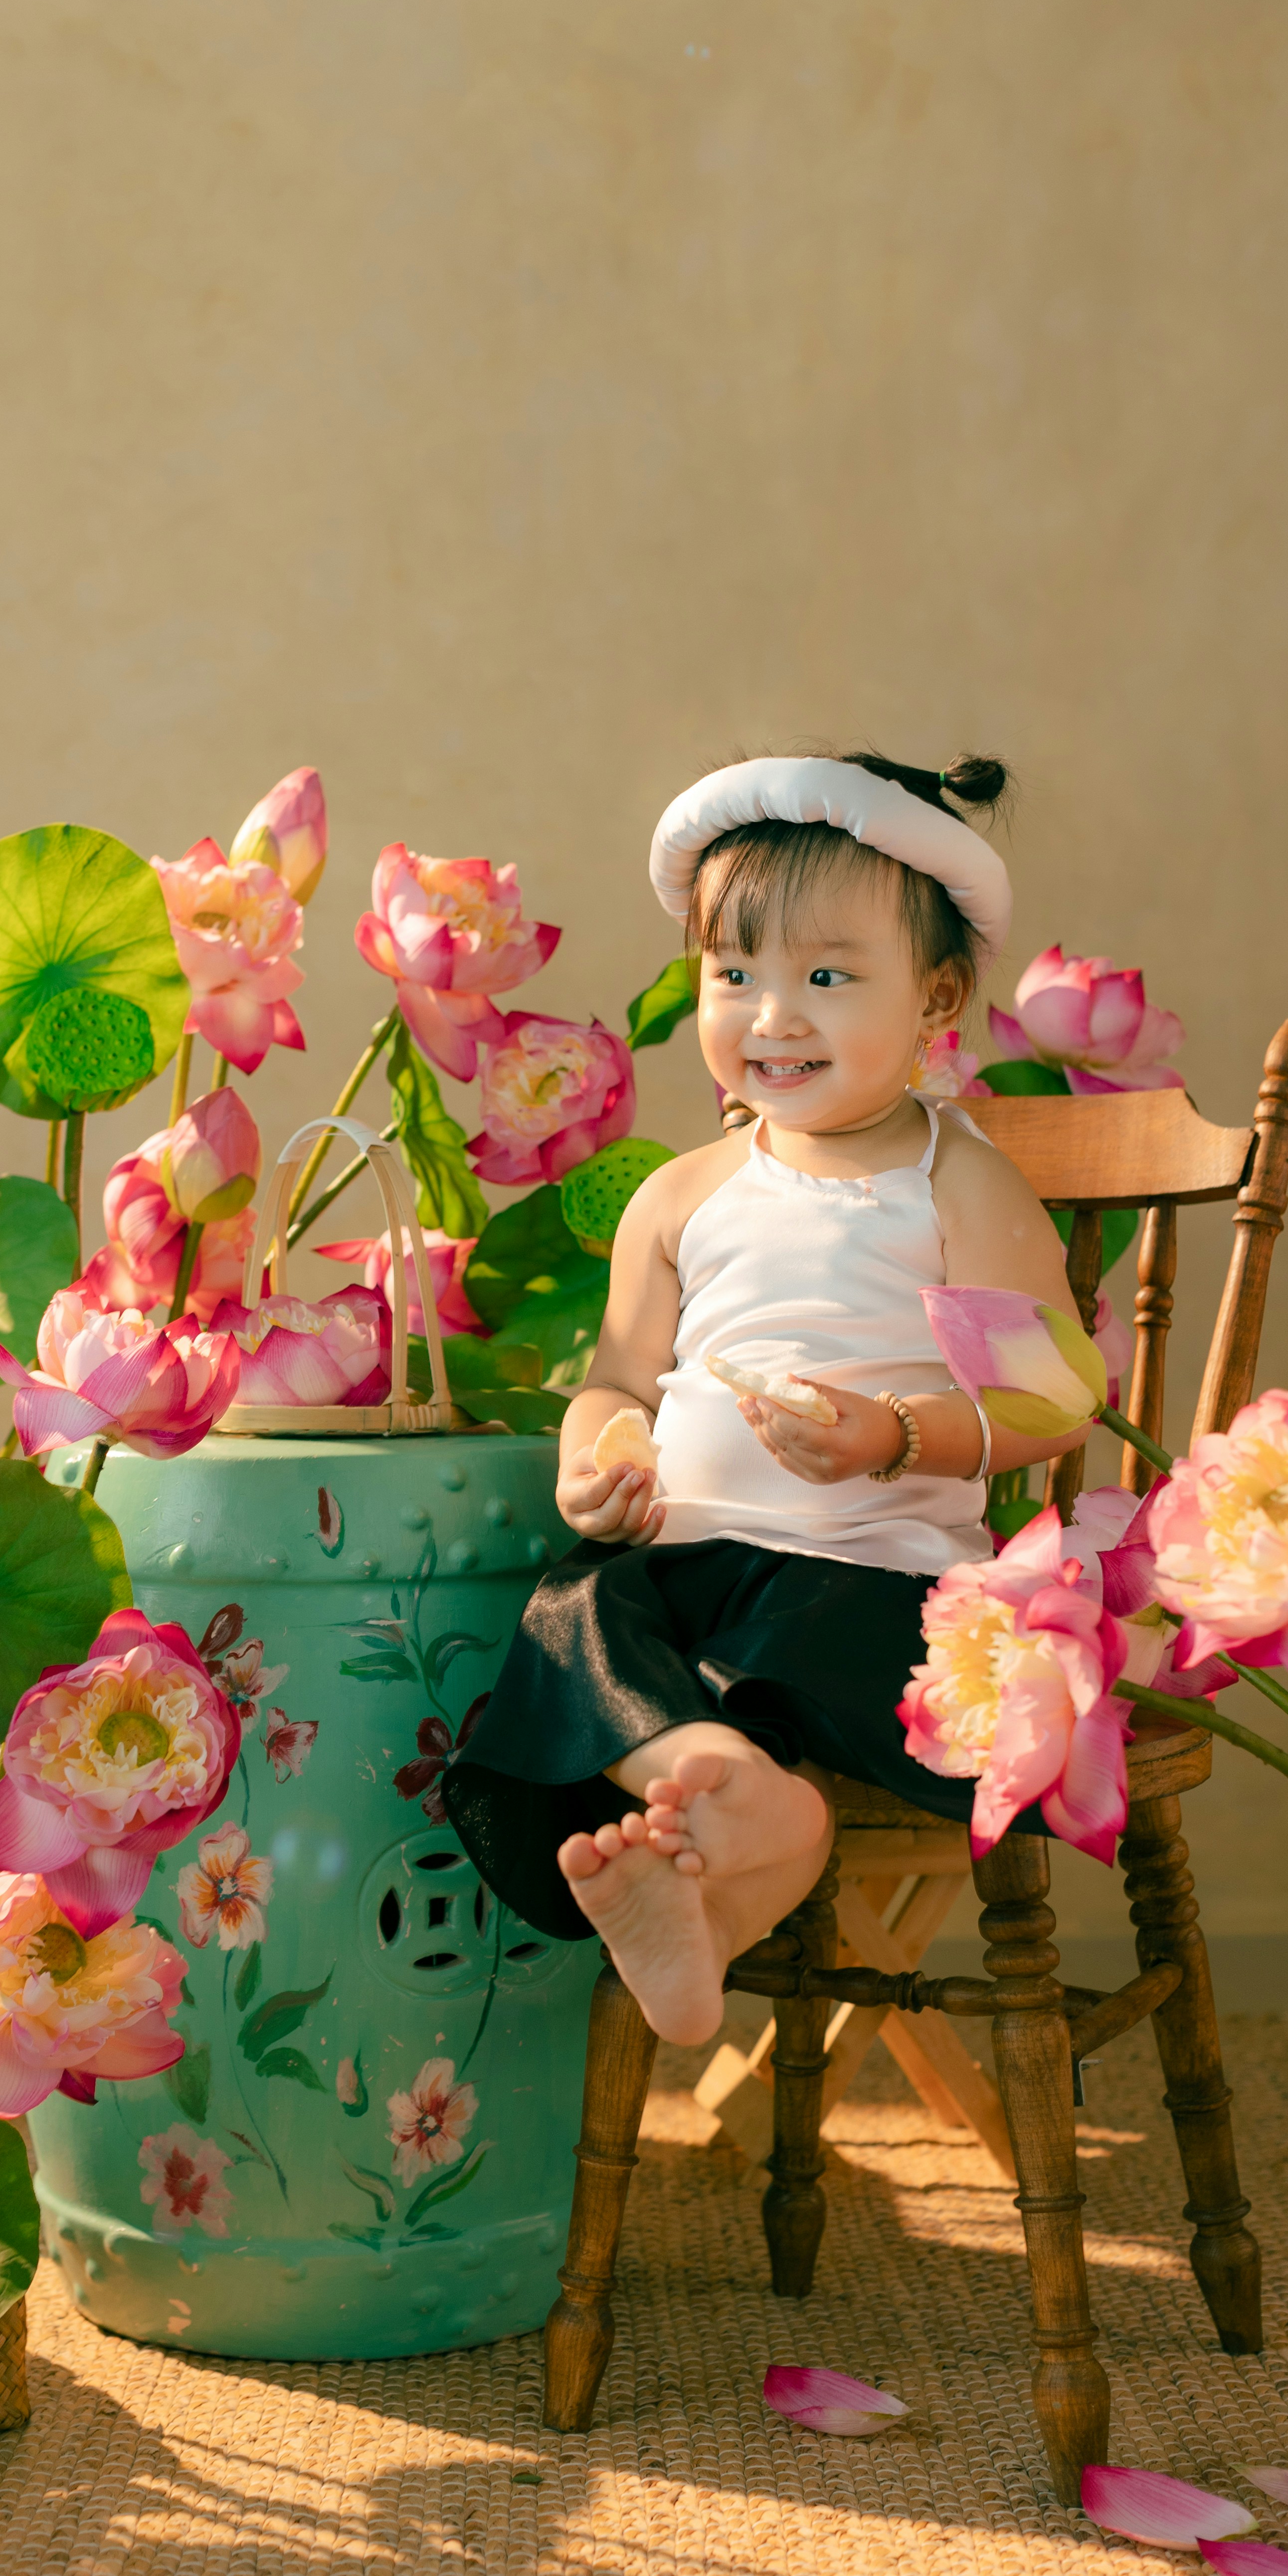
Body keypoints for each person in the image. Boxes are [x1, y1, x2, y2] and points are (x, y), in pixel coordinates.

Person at [444, 751, 1091, 2047]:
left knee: (793, 1640)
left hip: (868, 1581)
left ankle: (737, 1810)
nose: (773, 1015)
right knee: (574, 1608)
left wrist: (893, 1435)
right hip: (687, 1576)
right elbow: (619, 1380)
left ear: (939, 998)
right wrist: (600, 1457)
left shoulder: (951, 1183)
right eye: (734, 974)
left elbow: (1056, 1397)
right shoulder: (682, 1197)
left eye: (828, 977)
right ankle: (729, 1798)